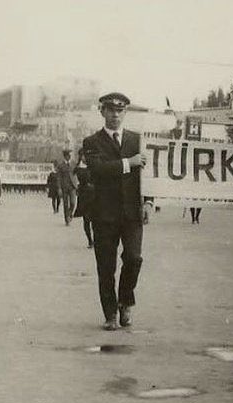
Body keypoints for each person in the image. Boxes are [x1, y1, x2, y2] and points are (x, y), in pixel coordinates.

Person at [82, 92, 151, 331]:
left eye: (120, 110)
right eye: (111, 110)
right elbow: (97, 169)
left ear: (125, 113)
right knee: (106, 267)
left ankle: (126, 300)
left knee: (134, 258)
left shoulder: (137, 140)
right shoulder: (91, 142)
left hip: (132, 213)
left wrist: (149, 202)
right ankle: (110, 314)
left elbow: (149, 175)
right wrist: (127, 163)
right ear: (102, 112)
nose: (115, 114)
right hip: (103, 214)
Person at [73, 148, 95, 248]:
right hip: (84, 195)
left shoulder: (94, 166)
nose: (84, 157)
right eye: (82, 155)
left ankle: (96, 239)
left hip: (94, 194)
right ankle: (90, 240)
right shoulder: (78, 168)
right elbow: (74, 179)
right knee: (86, 219)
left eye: (85, 155)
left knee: (95, 219)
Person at [57, 149, 78, 225]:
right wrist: (59, 188)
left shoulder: (73, 164)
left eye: (70, 155)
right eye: (67, 155)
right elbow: (58, 178)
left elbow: (77, 173)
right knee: (66, 204)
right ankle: (67, 220)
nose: (69, 156)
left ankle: (70, 213)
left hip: (72, 186)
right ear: (65, 156)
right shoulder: (60, 166)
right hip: (64, 187)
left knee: (73, 202)